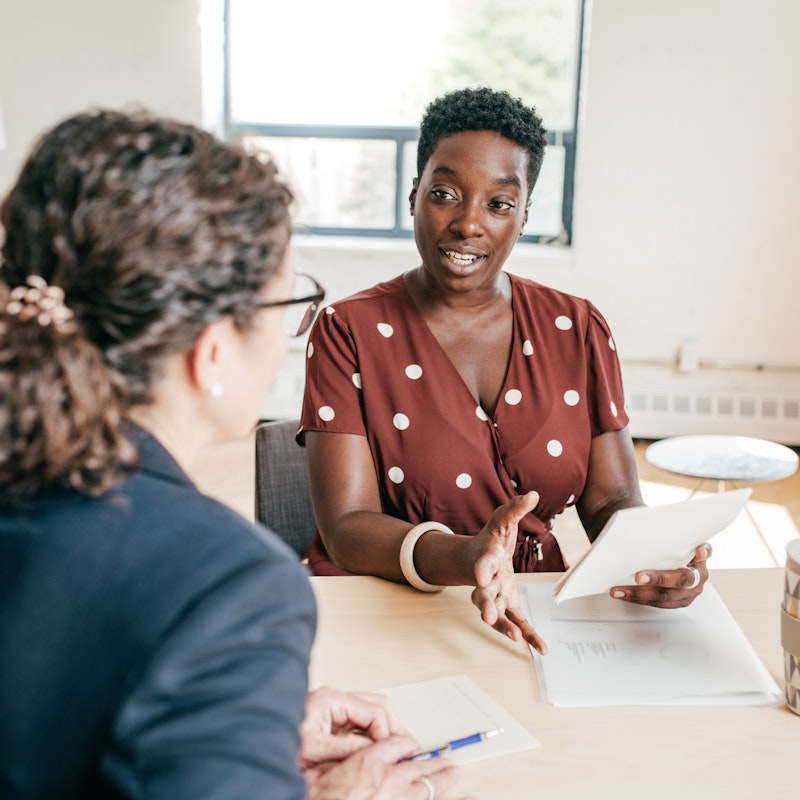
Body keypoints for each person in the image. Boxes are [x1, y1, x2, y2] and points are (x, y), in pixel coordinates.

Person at [0, 110, 461, 800]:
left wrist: (229, 730)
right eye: (284, 306)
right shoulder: (228, 587)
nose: (287, 339)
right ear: (211, 352)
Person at [298, 87, 711, 650]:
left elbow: (610, 499)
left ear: (523, 215)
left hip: (533, 610)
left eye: (499, 203)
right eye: (445, 194)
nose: (469, 223)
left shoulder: (579, 328)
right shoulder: (348, 331)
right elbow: (345, 527)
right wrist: (469, 555)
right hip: (382, 609)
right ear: (414, 195)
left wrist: (656, 561)